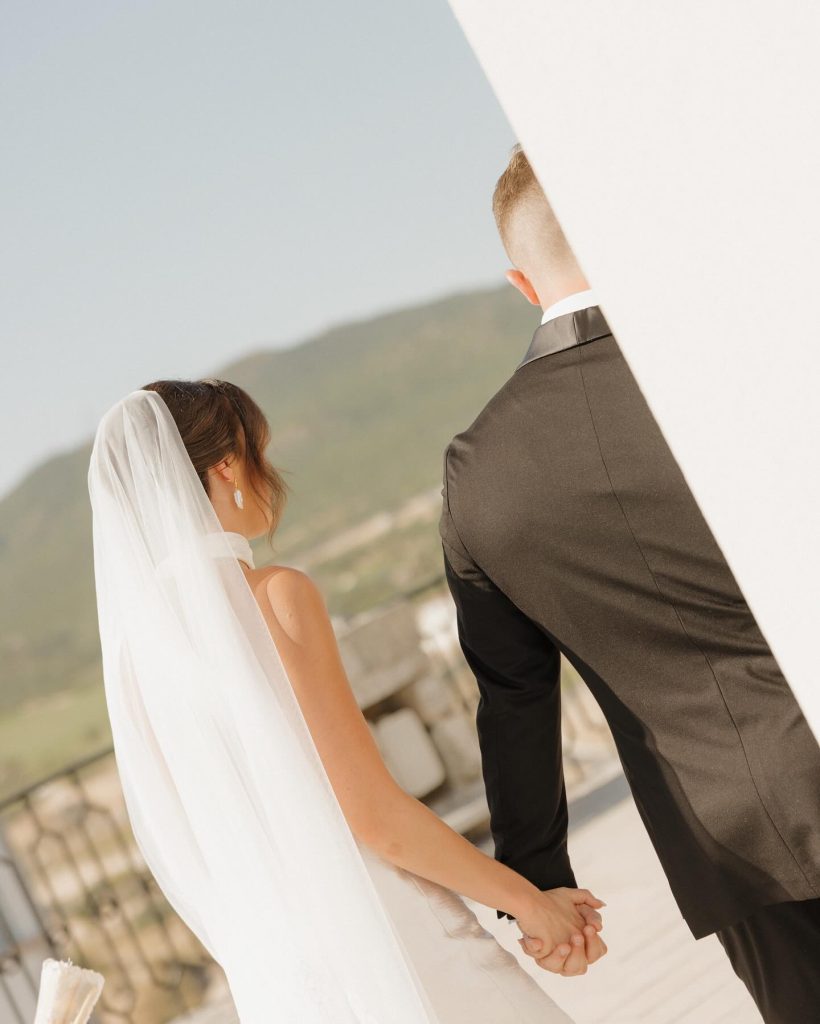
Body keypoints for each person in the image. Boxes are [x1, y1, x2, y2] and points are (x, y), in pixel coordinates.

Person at [438, 143, 820, 1022]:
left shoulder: (479, 471)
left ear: (521, 283)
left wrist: (538, 882)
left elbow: (514, 698)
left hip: (733, 849)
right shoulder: (738, 363)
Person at [87, 378, 605, 1023]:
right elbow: (374, 817)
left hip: (284, 975)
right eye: (261, 455)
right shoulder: (276, 597)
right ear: (227, 467)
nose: (272, 476)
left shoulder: (138, 659)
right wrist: (531, 902)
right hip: (389, 938)